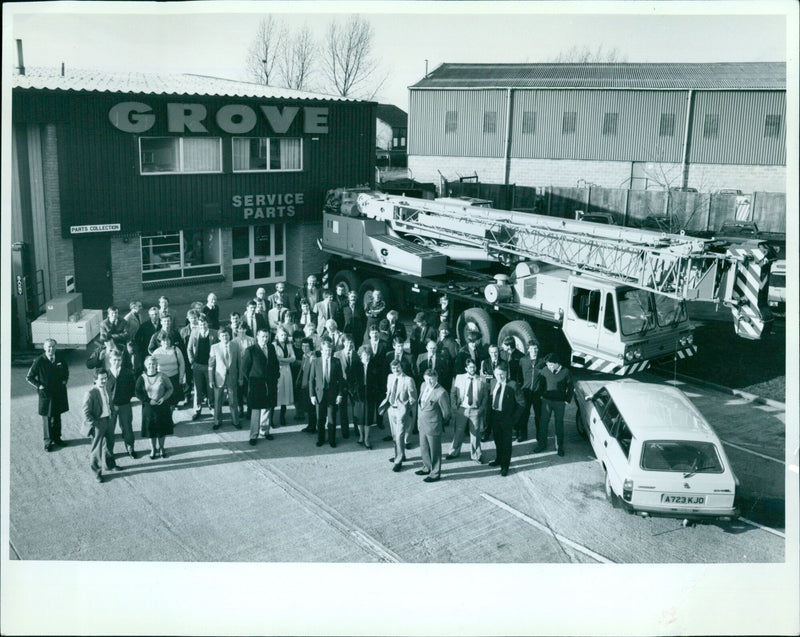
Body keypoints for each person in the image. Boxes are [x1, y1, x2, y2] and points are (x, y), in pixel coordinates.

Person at [26, 338, 69, 452]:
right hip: (46, 395)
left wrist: (64, 380)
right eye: (48, 347)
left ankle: (57, 438)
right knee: (47, 418)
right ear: (44, 348)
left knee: (57, 417)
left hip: (58, 393)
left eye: (53, 346)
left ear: (56, 347)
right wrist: (39, 386)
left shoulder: (60, 358)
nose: (51, 349)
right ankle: (48, 442)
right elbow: (29, 377)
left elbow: (66, 371)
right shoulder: (39, 361)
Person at [82, 368, 122, 482]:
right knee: (96, 450)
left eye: (105, 378)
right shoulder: (90, 393)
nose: (104, 381)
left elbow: (110, 403)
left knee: (110, 444)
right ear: (95, 379)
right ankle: (97, 473)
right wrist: (95, 424)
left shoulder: (107, 389)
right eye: (101, 379)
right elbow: (86, 412)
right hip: (98, 423)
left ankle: (109, 465)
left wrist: (113, 414)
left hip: (109, 421)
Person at [241, 328, 280, 445]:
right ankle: (253, 435)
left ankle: (265, 431)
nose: (265, 339)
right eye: (262, 337)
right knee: (256, 410)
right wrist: (252, 381)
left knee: (267, 408)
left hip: (270, 383)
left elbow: (275, 364)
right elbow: (244, 370)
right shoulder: (250, 350)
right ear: (257, 337)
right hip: (256, 385)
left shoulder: (271, 348)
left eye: (266, 337)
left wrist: (276, 376)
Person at [446, 357, 488, 463]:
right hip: (462, 410)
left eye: (474, 367)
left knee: (475, 434)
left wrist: (481, 409)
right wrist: (454, 406)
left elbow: (485, 397)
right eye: (470, 367)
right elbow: (453, 393)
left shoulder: (481, 379)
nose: (472, 369)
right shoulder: (459, 378)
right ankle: (454, 452)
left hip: (475, 410)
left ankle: (476, 455)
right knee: (458, 432)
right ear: (466, 368)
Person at [487, 364, 524, 476]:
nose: (500, 376)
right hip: (495, 416)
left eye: (502, 374)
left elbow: (522, 403)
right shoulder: (493, 382)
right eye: (498, 374)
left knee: (506, 443)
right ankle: (498, 459)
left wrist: (513, 420)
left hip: (507, 418)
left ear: (506, 374)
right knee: (497, 440)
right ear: (494, 374)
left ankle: (505, 466)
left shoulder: (513, 385)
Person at [135, 355, 175, 459]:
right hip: (149, 408)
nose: (151, 366)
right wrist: (148, 400)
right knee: (151, 430)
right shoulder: (142, 377)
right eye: (149, 364)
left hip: (162, 407)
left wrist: (164, 398)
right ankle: (153, 449)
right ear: (146, 365)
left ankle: (161, 448)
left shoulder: (163, 376)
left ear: (156, 365)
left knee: (162, 429)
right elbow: (137, 392)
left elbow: (170, 388)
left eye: (153, 364)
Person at [416, 368, 451, 483]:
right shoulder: (422, 386)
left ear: (436, 378)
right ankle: (427, 467)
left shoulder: (441, 392)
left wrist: (438, 422)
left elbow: (446, 413)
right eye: (427, 379)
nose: (429, 382)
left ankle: (435, 473)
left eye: (432, 379)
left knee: (435, 450)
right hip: (422, 424)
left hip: (433, 426)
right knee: (424, 448)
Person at [535, 353, 574, 456]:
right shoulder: (545, 370)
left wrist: (567, 400)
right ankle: (542, 444)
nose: (549, 367)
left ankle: (559, 447)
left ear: (557, 363)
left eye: (551, 365)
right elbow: (541, 384)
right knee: (543, 423)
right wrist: (541, 396)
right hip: (546, 401)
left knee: (559, 424)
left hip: (559, 403)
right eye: (548, 365)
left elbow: (570, 387)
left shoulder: (566, 372)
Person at [309, 337, 344, 448]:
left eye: (329, 350)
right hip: (319, 395)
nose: (328, 352)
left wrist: (340, 394)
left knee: (332, 418)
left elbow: (341, 380)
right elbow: (311, 380)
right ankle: (320, 439)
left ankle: (332, 440)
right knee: (320, 419)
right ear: (321, 350)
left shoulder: (336, 361)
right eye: (325, 350)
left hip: (332, 395)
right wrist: (312, 395)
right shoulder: (316, 362)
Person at [384, 358, 417, 472]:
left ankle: (398, 461)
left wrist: (410, 413)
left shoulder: (408, 380)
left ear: (402, 367)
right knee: (394, 435)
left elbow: (413, 399)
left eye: (398, 367)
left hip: (402, 411)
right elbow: (388, 391)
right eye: (393, 368)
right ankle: (401, 454)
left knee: (399, 435)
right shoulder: (390, 377)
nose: (396, 370)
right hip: (391, 409)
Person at [208, 326, 242, 430]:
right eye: (222, 336)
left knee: (233, 400)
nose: (225, 337)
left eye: (226, 335)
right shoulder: (214, 347)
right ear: (219, 337)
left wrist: (240, 378)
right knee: (218, 400)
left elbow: (239, 364)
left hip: (232, 376)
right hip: (219, 377)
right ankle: (217, 421)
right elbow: (211, 365)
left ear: (229, 336)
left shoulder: (235, 346)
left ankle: (235, 421)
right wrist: (211, 379)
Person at [107, 350, 137, 459]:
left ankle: (130, 448)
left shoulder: (128, 373)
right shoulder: (106, 374)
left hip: (125, 405)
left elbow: (132, 388)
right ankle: (109, 452)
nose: (116, 362)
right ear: (110, 360)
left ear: (122, 360)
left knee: (127, 428)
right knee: (110, 430)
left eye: (119, 360)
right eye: (114, 360)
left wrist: (127, 399)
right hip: (110, 407)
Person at [187, 316, 217, 420]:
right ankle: (197, 409)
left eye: (204, 324)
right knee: (197, 389)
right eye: (200, 325)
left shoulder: (214, 333)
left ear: (207, 324)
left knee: (211, 388)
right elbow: (189, 348)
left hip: (210, 366)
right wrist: (192, 361)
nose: (202, 326)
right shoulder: (194, 332)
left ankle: (212, 406)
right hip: (198, 366)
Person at [354, 346, 383, 448]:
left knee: (368, 418)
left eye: (368, 355)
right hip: (359, 396)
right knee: (360, 418)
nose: (367, 357)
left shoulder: (374, 365)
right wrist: (354, 392)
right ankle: (361, 437)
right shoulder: (355, 365)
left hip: (370, 395)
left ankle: (366, 439)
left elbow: (379, 381)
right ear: (361, 355)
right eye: (365, 355)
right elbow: (350, 380)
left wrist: (375, 392)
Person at [150, 333, 186, 409]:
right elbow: (152, 366)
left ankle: (170, 418)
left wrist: (181, 377)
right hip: (162, 380)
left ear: (170, 341)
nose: (166, 342)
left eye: (168, 340)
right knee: (163, 401)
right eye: (163, 340)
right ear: (160, 341)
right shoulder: (156, 352)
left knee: (173, 402)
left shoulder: (176, 350)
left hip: (174, 379)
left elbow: (182, 364)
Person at [335, 335, 360, 439]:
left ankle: (357, 430)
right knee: (343, 409)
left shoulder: (356, 354)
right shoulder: (337, 354)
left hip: (354, 386)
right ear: (343, 343)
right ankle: (345, 431)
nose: (349, 344)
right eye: (347, 342)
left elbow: (359, 371)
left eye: (351, 343)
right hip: (342, 385)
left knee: (356, 409)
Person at [518, 341, 543, 443]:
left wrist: (543, 391)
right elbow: (519, 376)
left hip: (538, 393)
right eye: (532, 349)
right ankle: (523, 434)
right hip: (526, 392)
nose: (534, 351)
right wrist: (520, 389)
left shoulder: (542, 361)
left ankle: (539, 435)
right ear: (528, 349)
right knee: (524, 414)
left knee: (539, 415)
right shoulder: (523, 360)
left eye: (536, 349)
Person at [272, 326, 296, 429]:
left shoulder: (289, 345)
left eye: (285, 335)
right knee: (277, 394)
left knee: (285, 394)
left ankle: (282, 417)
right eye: (282, 334)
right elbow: (276, 360)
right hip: (278, 371)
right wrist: (287, 360)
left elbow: (293, 358)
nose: (284, 336)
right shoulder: (273, 345)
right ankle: (271, 419)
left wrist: (283, 360)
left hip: (287, 372)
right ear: (277, 335)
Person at [232, 323, 256, 418]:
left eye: (243, 329)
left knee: (249, 390)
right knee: (239, 390)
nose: (241, 331)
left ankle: (249, 409)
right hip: (238, 369)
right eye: (239, 329)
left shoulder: (251, 340)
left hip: (249, 369)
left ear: (246, 330)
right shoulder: (234, 341)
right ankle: (240, 408)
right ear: (237, 330)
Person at [295, 337, 317, 433]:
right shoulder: (305, 356)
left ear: (310, 346)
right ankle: (310, 425)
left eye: (307, 346)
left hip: (310, 385)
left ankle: (313, 427)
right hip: (304, 384)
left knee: (312, 408)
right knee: (308, 407)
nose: (304, 348)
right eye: (303, 346)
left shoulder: (313, 356)